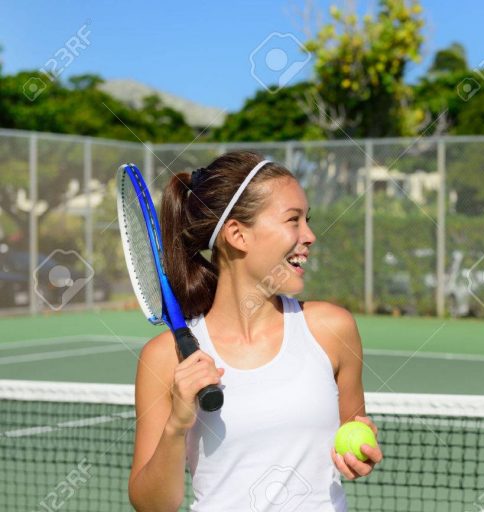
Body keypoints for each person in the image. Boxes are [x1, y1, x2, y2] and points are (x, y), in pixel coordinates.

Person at [128, 151, 382, 511]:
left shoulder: (332, 329)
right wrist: (176, 425)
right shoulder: (163, 358)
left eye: (306, 220)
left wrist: (362, 453)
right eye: (293, 220)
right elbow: (153, 506)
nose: (309, 236)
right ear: (237, 234)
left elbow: (355, 429)